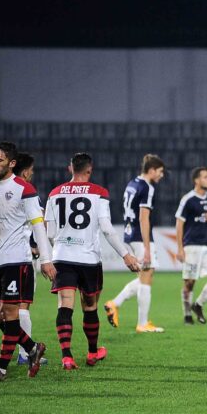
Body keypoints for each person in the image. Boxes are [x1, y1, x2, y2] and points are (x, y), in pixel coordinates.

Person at [45, 153, 141, 369]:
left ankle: (67, 356)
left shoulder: (54, 193)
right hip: (88, 259)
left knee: (65, 305)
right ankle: (91, 353)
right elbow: (106, 228)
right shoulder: (99, 193)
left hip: (62, 257)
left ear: (70, 168)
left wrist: (54, 252)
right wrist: (125, 254)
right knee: (90, 306)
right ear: (89, 170)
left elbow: (49, 231)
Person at [0, 142, 56, 381]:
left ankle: (0, 368)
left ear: (12, 163)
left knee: (10, 314)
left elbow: (38, 226)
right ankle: (32, 347)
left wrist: (46, 259)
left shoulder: (24, 189)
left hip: (16, 261)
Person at [104, 154, 166, 333]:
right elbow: (143, 217)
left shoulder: (132, 183)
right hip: (140, 235)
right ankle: (142, 323)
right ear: (152, 170)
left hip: (129, 233)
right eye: (160, 172)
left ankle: (114, 304)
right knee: (147, 277)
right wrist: (147, 247)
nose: (161, 175)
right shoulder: (147, 187)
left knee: (144, 276)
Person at [175, 167, 207, 325]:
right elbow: (179, 223)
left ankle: (198, 305)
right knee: (189, 282)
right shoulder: (188, 199)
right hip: (191, 247)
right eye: (205, 177)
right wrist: (180, 248)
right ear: (196, 180)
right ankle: (187, 314)